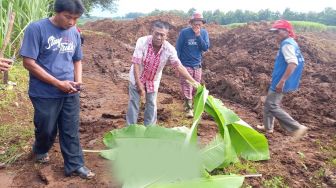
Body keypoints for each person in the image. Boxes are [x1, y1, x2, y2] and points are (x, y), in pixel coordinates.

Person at [20, 0, 95, 179]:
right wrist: (57, 83)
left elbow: (77, 59)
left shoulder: (74, 33)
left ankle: (75, 165)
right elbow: (29, 63)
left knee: (70, 129)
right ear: (57, 12)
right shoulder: (36, 29)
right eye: (68, 17)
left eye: (76, 19)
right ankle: (40, 149)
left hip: (69, 91)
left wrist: (78, 82)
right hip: (44, 92)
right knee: (46, 128)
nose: (71, 22)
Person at [126, 21, 200, 126]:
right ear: (152, 32)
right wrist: (139, 84)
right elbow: (136, 63)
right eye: (157, 33)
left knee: (151, 103)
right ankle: (130, 128)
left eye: (162, 35)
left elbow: (179, 66)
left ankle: (150, 129)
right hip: (137, 76)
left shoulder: (169, 49)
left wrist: (194, 82)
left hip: (153, 80)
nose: (159, 37)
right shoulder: (142, 42)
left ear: (166, 35)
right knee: (134, 102)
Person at [256, 20, 308, 139]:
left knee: (272, 105)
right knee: (269, 102)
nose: (276, 35)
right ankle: (268, 127)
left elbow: (293, 63)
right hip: (281, 80)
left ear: (286, 31)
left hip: (281, 81)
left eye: (278, 31)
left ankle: (297, 127)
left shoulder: (287, 45)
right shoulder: (291, 42)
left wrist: (282, 81)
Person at [176, 12, 210, 118]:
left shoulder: (204, 33)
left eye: (199, 23)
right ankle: (188, 109)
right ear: (192, 23)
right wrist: (177, 65)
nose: (197, 25)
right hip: (185, 65)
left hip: (197, 65)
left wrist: (198, 35)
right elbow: (178, 48)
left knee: (196, 87)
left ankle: (194, 106)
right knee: (187, 87)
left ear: (202, 24)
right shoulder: (184, 33)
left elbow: (205, 47)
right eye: (195, 23)